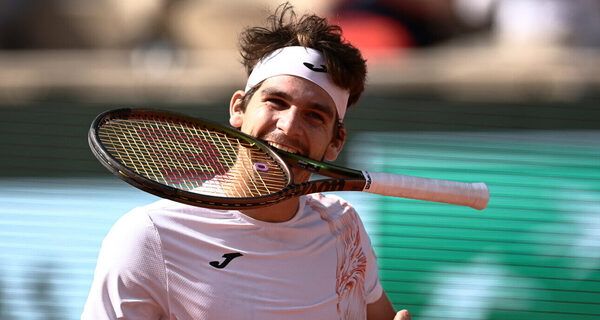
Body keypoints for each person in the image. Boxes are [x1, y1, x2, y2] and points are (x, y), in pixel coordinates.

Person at [82, 3, 411, 320]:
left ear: (335, 142)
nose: (289, 126)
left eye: (314, 116)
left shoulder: (343, 227)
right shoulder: (148, 237)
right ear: (238, 109)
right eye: (276, 102)